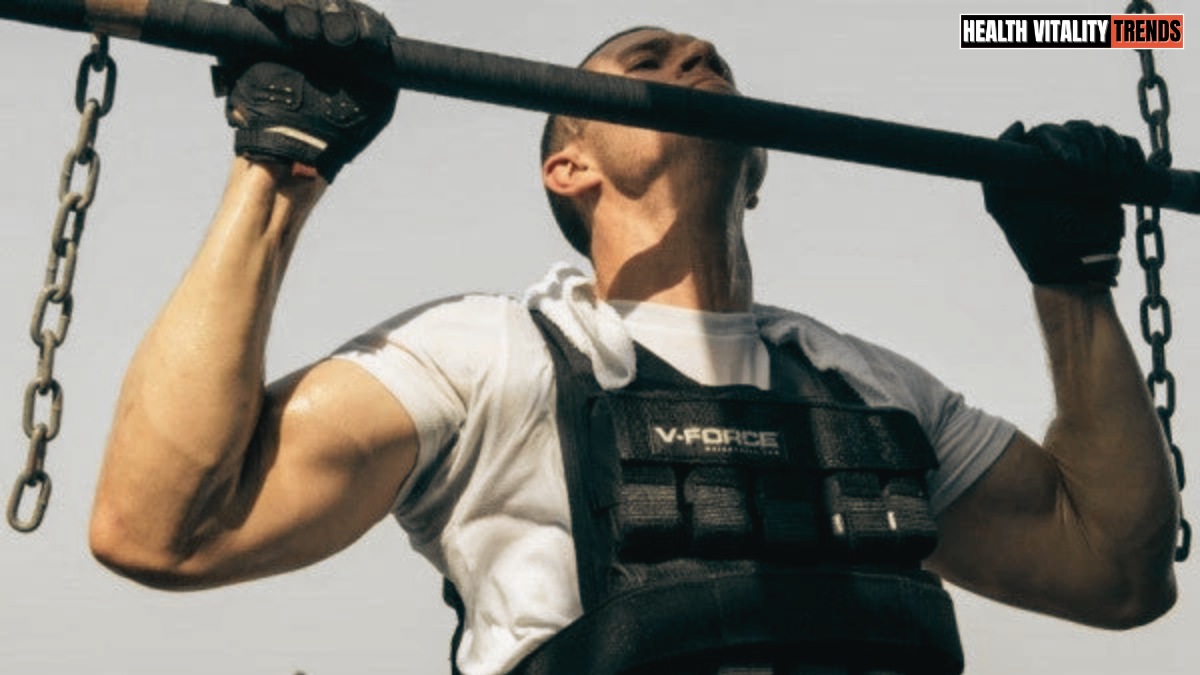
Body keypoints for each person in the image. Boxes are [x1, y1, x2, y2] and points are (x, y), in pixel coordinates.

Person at [87, 2, 1181, 674]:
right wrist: (279, 162)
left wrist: (1071, 276)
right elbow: (161, 527)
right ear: (566, 165)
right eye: (652, 57)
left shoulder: (871, 388)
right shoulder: (489, 355)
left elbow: (1117, 573)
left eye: (713, 60)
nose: (697, 56)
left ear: (759, 168)